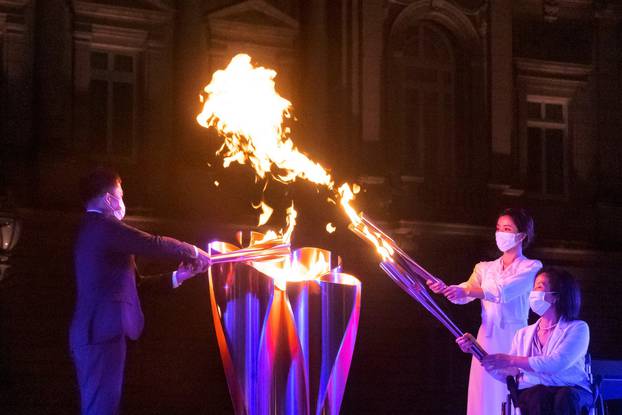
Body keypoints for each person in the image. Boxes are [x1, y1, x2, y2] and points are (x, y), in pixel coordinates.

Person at [69, 168, 211, 415]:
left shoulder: (100, 232)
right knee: (100, 410)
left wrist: (180, 276)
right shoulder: (101, 226)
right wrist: (194, 251)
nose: (122, 202)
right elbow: (152, 243)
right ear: (109, 199)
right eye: (120, 195)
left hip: (102, 333)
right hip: (99, 333)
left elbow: (139, 285)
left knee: (105, 408)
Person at [427, 208, 542, 415]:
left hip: (515, 341)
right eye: (498, 228)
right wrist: (447, 289)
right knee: (483, 397)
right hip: (486, 340)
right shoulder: (484, 268)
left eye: (507, 229)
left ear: (522, 235)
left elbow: (503, 292)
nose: (501, 233)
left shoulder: (531, 267)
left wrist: (466, 290)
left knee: (509, 393)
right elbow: (466, 294)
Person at [457, 267, 592, 415]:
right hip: (536, 392)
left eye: (539, 286)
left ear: (556, 296)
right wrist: (477, 351)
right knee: (537, 395)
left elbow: (556, 363)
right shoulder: (523, 334)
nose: (533, 293)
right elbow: (510, 372)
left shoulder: (578, 328)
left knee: (564, 397)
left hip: (571, 390)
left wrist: (511, 360)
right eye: (533, 287)